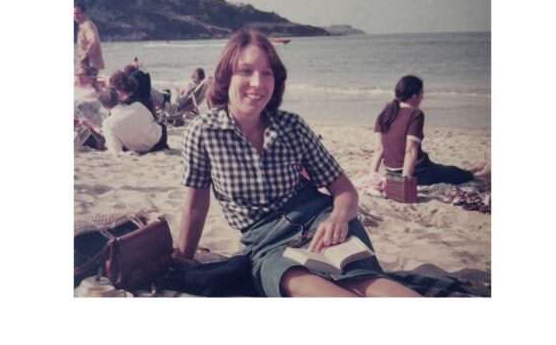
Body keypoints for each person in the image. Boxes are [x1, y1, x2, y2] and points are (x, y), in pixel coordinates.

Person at [175, 30, 419, 297]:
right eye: (245, 71)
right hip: (266, 246)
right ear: (225, 76)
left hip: (321, 222)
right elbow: (197, 204)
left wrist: (338, 219)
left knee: (363, 282)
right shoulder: (203, 132)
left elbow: (344, 189)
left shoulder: (292, 126)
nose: (257, 83)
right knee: (314, 290)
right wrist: (183, 260)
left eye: (267, 73)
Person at [371, 75, 490, 185]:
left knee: (446, 169)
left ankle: (471, 171)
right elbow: (411, 151)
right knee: (453, 173)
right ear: (414, 95)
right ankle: (478, 175)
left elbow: (379, 149)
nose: (423, 97)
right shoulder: (415, 114)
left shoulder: (385, 113)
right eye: (421, 93)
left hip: (391, 173)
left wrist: (373, 174)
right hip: (417, 171)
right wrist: (405, 180)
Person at [97, 86, 169, 155]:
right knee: (160, 126)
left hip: (138, 149)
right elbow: (152, 120)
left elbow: (116, 150)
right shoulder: (137, 105)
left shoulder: (107, 123)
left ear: (103, 105)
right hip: (158, 142)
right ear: (118, 97)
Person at [74, 3, 105, 77]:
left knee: (82, 83)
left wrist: (85, 55)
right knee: (91, 84)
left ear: (84, 13)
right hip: (89, 62)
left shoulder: (87, 25)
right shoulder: (83, 25)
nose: (75, 15)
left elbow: (94, 40)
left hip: (88, 62)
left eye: (78, 13)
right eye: (74, 13)